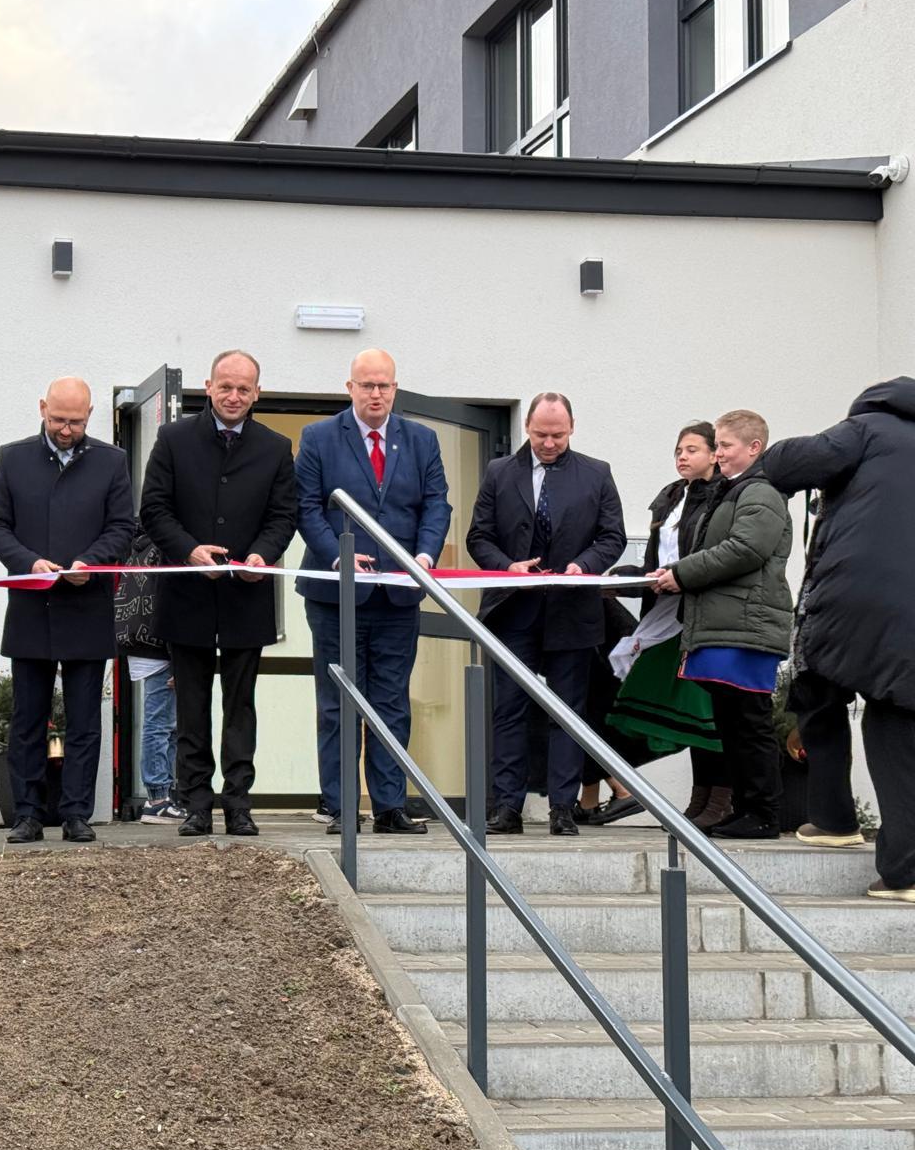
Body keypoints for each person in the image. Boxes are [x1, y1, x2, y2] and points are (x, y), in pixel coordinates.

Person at [764, 377, 915, 898]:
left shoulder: (866, 429)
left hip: (856, 599)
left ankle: (852, 832)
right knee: (894, 716)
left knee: (819, 685)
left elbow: (787, 465)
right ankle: (885, 856)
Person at [140, 349, 297, 838]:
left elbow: (283, 516)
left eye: (243, 389)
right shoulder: (173, 439)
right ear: (208, 386)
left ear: (257, 393)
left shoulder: (276, 447)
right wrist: (189, 551)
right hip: (187, 596)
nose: (233, 396)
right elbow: (154, 509)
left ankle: (238, 804)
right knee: (190, 708)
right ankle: (196, 805)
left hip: (247, 597)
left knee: (240, 707)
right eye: (225, 386)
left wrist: (261, 556)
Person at [294, 348, 450, 836]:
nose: (376, 394)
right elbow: (306, 507)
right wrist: (336, 556)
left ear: (395, 388)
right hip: (335, 596)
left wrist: (423, 557)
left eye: (384, 385)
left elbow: (436, 505)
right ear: (350, 388)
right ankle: (340, 807)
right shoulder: (319, 437)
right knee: (337, 705)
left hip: (397, 596)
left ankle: (389, 807)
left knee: (391, 703)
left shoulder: (422, 439)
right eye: (367, 385)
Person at [0, 377, 135, 843]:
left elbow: (122, 527)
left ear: (90, 416)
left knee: (84, 720)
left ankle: (76, 814)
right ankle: (27, 814)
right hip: (32, 606)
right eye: (58, 420)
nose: (66, 430)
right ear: (42, 408)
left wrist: (93, 561)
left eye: (76, 422)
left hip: (88, 606)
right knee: (28, 717)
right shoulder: (14, 458)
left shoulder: (112, 461)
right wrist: (28, 563)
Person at [467, 392, 625, 836]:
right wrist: (507, 567)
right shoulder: (499, 472)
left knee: (567, 712)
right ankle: (507, 808)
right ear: (527, 428)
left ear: (571, 429)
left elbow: (611, 536)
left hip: (572, 611)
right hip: (514, 609)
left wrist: (584, 566)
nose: (549, 443)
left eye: (558, 435)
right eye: (541, 435)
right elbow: (479, 536)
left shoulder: (596, 473)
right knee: (509, 710)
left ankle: (562, 808)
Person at [653, 409, 792, 840]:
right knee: (732, 723)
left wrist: (683, 573)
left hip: (747, 627)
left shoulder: (761, 492)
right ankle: (745, 809)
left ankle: (763, 813)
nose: (719, 454)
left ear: (754, 447)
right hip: (730, 624)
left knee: (749, 721)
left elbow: (745, 549)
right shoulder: (735, 491)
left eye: (725, 446)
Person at [594, 422, 725, 827]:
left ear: (714, 454)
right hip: (665, 615)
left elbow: (712, 558)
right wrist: (627, 581)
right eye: (679, 450)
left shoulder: (724, 495)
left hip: (702, 615)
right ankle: (700, 799)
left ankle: (720, 799)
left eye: (692, 449)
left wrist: (677, 576)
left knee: (706, 711)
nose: (682, 457)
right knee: (680, 709)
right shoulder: (670, 497)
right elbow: (657, 565)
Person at [114, 531, 184, 824]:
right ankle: (158, 799)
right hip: (161, 649)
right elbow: (169, 606)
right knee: (161, 725)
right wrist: (178, 661)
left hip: (142, 643)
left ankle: (162, 795)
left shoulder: (141, 547)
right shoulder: (167, 549)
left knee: (163, 724)